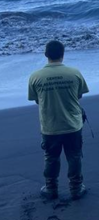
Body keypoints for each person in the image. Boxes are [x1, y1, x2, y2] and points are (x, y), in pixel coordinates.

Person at [28, 40, 89, 200]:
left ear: (46, 55)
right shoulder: (74, 73)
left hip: (50, 126)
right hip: (72, 124)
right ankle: (76, 188)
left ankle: (51, 188)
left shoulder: (35, 76)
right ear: (63, 54)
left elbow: (36, 100)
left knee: (51, 157)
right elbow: (79, 95)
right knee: (74, 156)